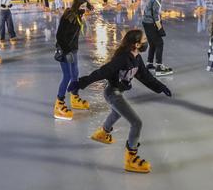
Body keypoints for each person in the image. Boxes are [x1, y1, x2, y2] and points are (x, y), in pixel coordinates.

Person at [70, 29, 173, 174]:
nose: (146, 42)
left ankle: (102, 133)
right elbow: (104, 71)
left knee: (117, 113)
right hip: (112, 93)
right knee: (137, 123)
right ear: (136, 44)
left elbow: (145, 76)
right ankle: (131, 158)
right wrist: (82, 83)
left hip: (118, 92)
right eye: (144, 40)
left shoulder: (136, 58)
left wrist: (161, 86)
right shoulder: (123, 58)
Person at [53, 0, 94, 120]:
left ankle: (74, 97)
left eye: (84, 7)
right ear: (76, 6)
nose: (83, 9)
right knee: (67, 76)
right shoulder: (69, 17)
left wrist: (88, 7)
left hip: (73, 49)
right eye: (81, 7)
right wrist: (66, 51)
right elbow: (59, 36)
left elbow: (89, 8)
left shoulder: (78, 15)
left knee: (75, 74)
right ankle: (59, 104)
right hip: (65, 50)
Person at [141, 0, 172, 76]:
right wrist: (160, 28)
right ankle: (159, 67)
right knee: (159, 43)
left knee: (153, 43)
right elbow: (155, 15)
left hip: (146, 22)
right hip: (150, 23)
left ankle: (150, 64)